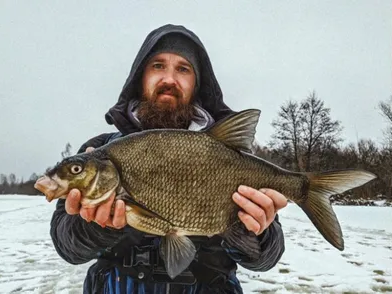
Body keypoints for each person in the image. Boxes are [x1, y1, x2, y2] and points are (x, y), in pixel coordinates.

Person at [50, 24, 287, 294]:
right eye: (158, 65)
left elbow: (267, 259)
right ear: (140, 77)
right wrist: (95, 227)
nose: (169, 79)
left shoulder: (231, 157)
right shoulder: (99, 152)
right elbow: (66, 247)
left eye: (183, 69)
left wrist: (252, 230)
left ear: (197, 84)